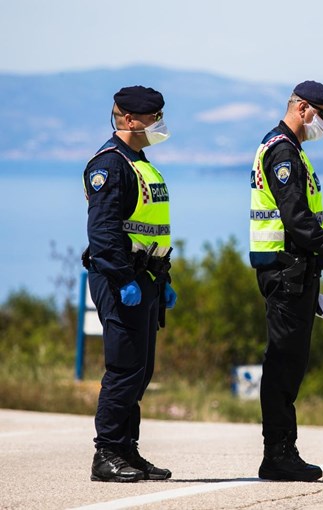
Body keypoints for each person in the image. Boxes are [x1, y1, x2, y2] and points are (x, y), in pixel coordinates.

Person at [249, 80, 323, 481]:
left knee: (290, 363)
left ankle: (281, 451)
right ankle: (278, 454)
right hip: (286, 272)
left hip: (295, 272)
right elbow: (297, 222)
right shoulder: (282, 151)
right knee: (284, 364)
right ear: (301, 108)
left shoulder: (291, 150)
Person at [82, 85, 177, 483]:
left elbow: (149, 226)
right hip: (121, 279)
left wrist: (163, 278)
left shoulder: (141, 163)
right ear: (129, 120)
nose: (160, 124)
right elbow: (103, 233)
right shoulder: (111, 164)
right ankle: (106, 454)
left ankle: (127, 450)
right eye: (154, 118)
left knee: (141, 370)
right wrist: (123, 280)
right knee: (123, 369)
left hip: (148, 277)